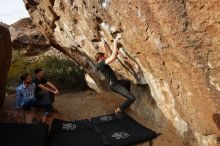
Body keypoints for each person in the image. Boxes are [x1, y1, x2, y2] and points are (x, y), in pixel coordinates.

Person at [95, 40, 136, 114]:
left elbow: (107, 55)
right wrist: (115, 44)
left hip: (116, 83)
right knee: (132, 98)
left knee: (127, 82)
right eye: (104, 57)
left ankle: (127, 96)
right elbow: (112, 57)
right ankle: (118, 110)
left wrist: (105, 46)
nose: (105, 57)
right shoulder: (101, 64)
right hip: (115, 85)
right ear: (101, 58)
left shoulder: (100, 63)